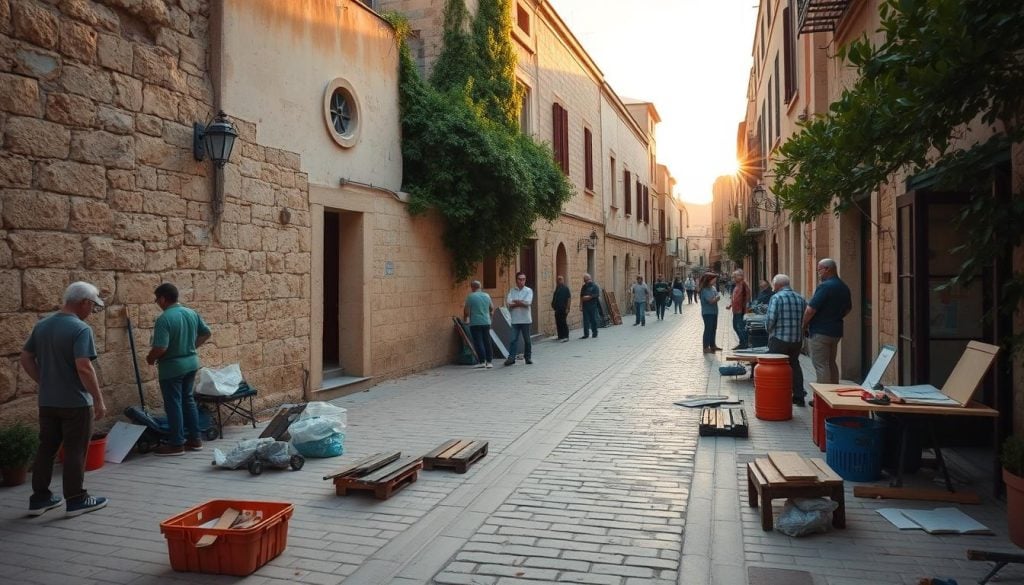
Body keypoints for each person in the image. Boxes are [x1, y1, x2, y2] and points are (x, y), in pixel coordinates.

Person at [20, 281, 108, 517]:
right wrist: (98, 400)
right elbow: (84, 367)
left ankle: (40, 498)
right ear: (84, 303)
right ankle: (76, 499)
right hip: (75, 403)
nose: (92, 312)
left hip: (48, 401)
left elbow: (26, 357)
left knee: (46, 448)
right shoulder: (80, 329)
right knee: (75, 450)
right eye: (92, 306)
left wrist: (44, 381)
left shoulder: (43, 325)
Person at [146, 283, 212, 456]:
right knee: (188, 400)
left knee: (173, 404)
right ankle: (195, 439)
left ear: (162, 298)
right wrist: (192, 346)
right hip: (191, 363)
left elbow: (160, 347)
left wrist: (150, 358)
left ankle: (176, 443)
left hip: (172, 368)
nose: (157, 303)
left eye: (157, 299)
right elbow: (206, 332)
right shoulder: (191, 313)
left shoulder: (164, 318)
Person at [802, 258, 852, 384]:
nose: (818, 273)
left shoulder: (825, 286)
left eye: (819, 270)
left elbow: (810, 310)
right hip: (835, 330)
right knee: (831, 363)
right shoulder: (843, 286)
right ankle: (833, 393)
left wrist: (803, 325)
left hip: (820, 331)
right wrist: (834, 317)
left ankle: (823, 399)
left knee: (821, 365)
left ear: (828, 269)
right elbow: (848, 309)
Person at [765, 274, 809, 406]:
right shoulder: (800, 297)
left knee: (776, 366)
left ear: (778, 285)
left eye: (774, 284)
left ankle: (778, 395)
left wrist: (768, 329)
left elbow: (771, 319)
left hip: (779, 338)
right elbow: (805, 317)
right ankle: (799, 396)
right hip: (796, 339)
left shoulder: (776, 298)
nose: (773, 287)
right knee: (794, 365)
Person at [504, 272, 533, 365]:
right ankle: (511, 358)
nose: (522, 281)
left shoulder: (528, 290)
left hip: (525, 319)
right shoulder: (512, 291)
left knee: (527, 340)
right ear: (516, 280)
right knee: (513, 339)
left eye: (523, 279)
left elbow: (528, 303)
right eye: (520, 279)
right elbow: (509, 302)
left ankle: (528, 357)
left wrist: (516, 302)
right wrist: (521, 302)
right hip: (515, 319)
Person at [464, 280, 494, 367]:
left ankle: (482, 361)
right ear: (480, 287)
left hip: (475, 322)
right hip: (486, 322)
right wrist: (489, 317)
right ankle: (489, 362)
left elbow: (466, 311)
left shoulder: (471, 297)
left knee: (478, 341)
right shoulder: (487, 295)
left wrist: (466, 319)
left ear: (472, 287)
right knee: (487, 341)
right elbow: (491, 308)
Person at [726, 269, 751, 350]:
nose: (733, 277)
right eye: (733, 276)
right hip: (735, 310)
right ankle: (742, 342)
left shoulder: (743, 285)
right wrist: (730, 305)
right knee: (736, 326)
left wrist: (746, 309)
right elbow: (734, 297)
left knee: (740, 327)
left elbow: (747, 298)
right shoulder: (736, 285)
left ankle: (744, 343)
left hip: (741, 310)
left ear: (741, 276)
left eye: (735, 276)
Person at [699, 273, 721, 353]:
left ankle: (713, 345)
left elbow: (716, 297)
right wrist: (716, 298)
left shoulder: (713, 288)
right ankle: (705, 347)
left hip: (714, 311)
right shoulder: (705, 290)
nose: (715, 280)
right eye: (714, 279)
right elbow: (711, 301)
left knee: (713, 329)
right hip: (707, 313)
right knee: (708, 329)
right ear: (709, 280)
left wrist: (716, 298)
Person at [579, 273, 601, 339]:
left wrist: (587, 297)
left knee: (593, 320)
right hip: (585, 306)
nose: (586, 282)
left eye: (586, 280)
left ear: (590, 279)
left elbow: (595, 295)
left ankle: (595, 333)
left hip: (593, 306)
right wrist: (580, 305)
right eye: (585, 280)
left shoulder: (595, 286)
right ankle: (586, 334)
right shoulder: (584, 287)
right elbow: (581, 296)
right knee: (585, 320)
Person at [551, 275, 572, 342]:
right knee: (558, 322)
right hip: (557, 309)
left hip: (563, 308)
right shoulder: (557, 288)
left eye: (560, 279)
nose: (559, 280)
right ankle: (560, 336)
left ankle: (566, 336)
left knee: (563, 322)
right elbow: (555, 297)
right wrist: (553, 304)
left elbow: (569, 298)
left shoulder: (566, 288)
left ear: (563, 280)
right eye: (558, 279)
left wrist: (568, 308)